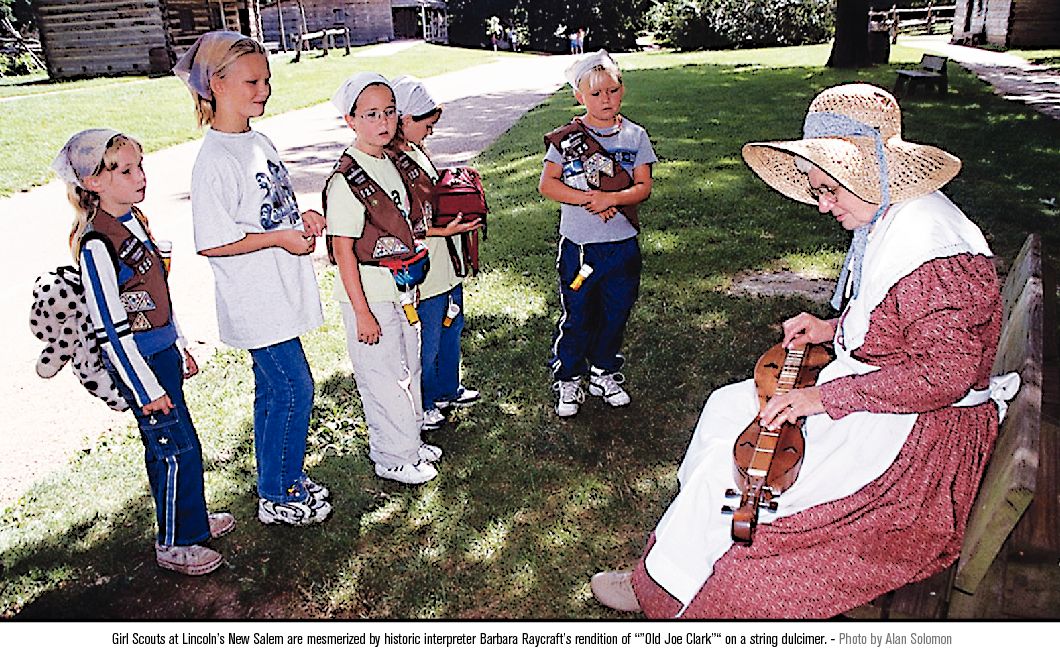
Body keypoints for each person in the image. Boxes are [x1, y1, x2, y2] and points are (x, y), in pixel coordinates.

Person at [590, 83, 1018, 618]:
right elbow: (899, 326)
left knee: (738, 472)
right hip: (891, 402)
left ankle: (674, 586)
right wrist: (830, 328)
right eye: (818, 190)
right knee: (727, 408)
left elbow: (945, 375)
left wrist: (822, 399)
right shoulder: (893, 216)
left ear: (871, 175)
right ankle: (670, 566)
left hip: (917, 440)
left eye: (829, 190)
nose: (822, 205)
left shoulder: (935, 250)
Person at [54, 129, 235, 575]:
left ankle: (191, 519)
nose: (140, 177)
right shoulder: (97, 243)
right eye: (126, 170)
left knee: (179, 443)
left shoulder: (136, 220)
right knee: (173, 449)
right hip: (141, 367)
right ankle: (175, 542)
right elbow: (110, 329)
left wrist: (179, 343)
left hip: (162, 354)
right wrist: (144, 386)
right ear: (93, 182)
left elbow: (158, 295)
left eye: (140, 166)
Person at [175, 31, 331, 526]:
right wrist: (279, 239)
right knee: (295, 389)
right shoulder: (214, 160)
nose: (264, 90)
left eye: (267, 80)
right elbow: (212, 242)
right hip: (255, 299)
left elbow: (268, 209)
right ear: (216, 85)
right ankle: (279, 493)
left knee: (273, 391)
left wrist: (300, 220)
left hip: (279, 291)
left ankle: (278, 478)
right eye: (252, 82)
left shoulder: (259, 141)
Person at [324, 72, 443, 485]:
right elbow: (343, 249)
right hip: (370, 294)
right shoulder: (347, 178)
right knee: (382, 377)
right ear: (351, 120)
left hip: (400, 288)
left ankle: (410, 441)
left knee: (408, 367)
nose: (383, 122)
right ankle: (392, 457)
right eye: (371, 114)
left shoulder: (388, 161)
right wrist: (362, 312)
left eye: (390, 112)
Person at [538, 50, 656, 417]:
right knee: (578, 313)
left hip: (621, 248)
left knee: (616, 311)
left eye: (612, 91)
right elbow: (548, 184)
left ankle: (604, 371)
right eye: (595, 94)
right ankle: (569, 377)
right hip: (581, 249)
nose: (606, 99)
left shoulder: (635, 136)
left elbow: (643, 187)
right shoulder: (568, 139)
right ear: (579, 96)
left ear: (622, 90)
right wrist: (591, 199)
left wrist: (613, 198)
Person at [388, 75, 483, 432]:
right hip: (426, 269)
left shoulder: (417, 151)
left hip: (446, 264)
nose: (430, 131)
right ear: (404, 120)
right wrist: (442, 230)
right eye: (425, 125)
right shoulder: (391, 161)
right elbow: (399, 221)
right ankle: (425, 401)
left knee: (451, 325)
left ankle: (447, 388)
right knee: (426, 339)